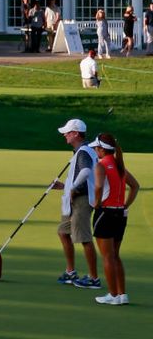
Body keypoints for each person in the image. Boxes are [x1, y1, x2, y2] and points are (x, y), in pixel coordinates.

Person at [51, 118, 102, 289]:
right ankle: (71, 271)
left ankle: (94, 278)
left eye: (67, 132)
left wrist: (72, 188)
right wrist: (65, 187)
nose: (65, 135)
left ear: (75, 134)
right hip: (73, 199)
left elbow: (86, 172)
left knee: (84, 238)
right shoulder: (80, 151)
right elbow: (82, 175)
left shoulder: (84, 152)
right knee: (63, 232)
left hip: (82, 200)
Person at [91, 133, 140, 306]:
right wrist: (125, 205)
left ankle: (112, 295)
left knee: (107, 257)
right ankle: (122, 294)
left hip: (105, 214)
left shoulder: (101, 165)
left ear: (101, 149)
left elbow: (98, 186)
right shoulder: (120, 166)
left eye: (96, 148)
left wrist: (96, 203)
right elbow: (135, 186)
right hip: (120, 215)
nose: (95, 151)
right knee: (115, 256)